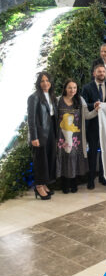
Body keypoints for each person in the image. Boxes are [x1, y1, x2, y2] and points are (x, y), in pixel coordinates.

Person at [56, 79, 99, 193]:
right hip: (61, 137)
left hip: (77, 137)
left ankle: (73, 183)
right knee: (64, 158)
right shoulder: (58, 100)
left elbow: (87, 116)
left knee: (74, 158)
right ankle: (65, 184)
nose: (72, 90)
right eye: (70, 87)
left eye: (74, 88)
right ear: (65, 88)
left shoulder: (80, 100)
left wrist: (96, 110)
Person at [81, 64, 106, 189]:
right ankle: (91, 179)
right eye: (99, 71)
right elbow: (84, 104)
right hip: (92, 124)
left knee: (104, 151)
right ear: (94, 73)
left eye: (103, 71)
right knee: (93, 152)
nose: (101, 73)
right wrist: (93, 105)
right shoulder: (87, 88)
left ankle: (102, 176)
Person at [27, 72, 58, 200]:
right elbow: (31, 119)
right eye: (42, 81)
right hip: (40, 134)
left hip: (50, 131)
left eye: (47, 80)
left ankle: (44, 183)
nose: (45, 83)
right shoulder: (34, 97)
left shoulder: (51, 96)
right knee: (40, 161)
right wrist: (34, 137)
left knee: (49, 159)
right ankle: (38, 186)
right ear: (38, 83)